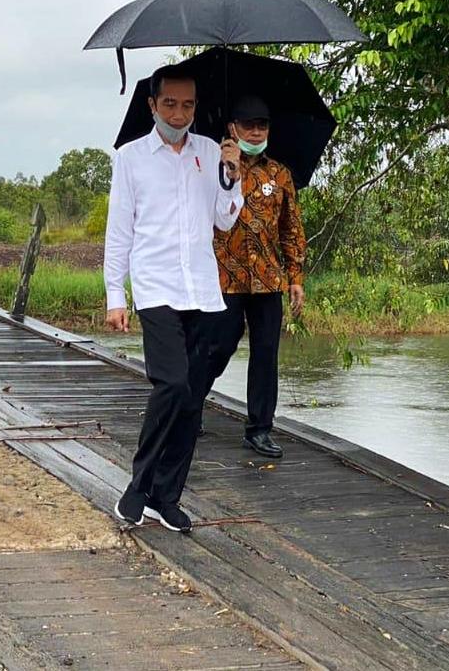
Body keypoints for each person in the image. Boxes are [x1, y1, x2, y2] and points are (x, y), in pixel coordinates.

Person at [104, 64, 244, 533]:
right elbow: (119, 231)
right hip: (155, 287)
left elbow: (225, 221)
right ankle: (138, 487)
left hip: (201, 290)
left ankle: (167, 496)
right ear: (152, 104)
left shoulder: (211, 152)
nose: (179, 113)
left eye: (187, 105)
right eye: (170, 104)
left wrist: (232, 176)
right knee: (172, 384)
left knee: (192, 396)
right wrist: (114, 295)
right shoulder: (130, 158)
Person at [208, 93, 307, 459]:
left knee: (266, 353)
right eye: (247, 125)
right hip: (223, 278)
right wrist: (227, 170)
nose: (254, 131)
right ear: (231, 127)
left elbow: (291, 228)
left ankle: (260, 429)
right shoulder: (210, 167)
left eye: (261, 125)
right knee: (218, 346)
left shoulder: (279, 174)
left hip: (267, 279)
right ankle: (190, 402)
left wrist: (295, 276)